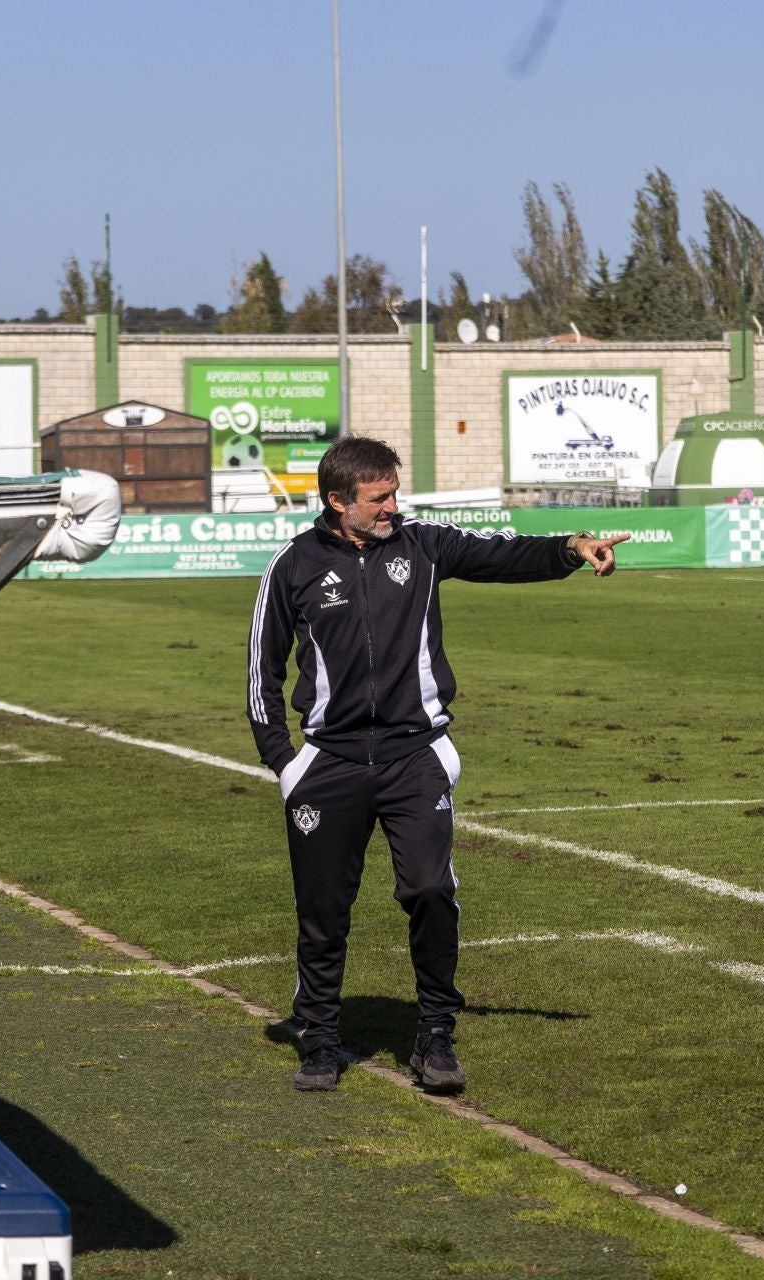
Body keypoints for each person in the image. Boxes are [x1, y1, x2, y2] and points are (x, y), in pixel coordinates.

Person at [247, 436, 627, 1092]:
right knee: (322, 909)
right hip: (328, 766)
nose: (395, 506)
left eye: (395, 492)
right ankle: (319, 1037)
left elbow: (498, 552)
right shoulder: (293, 566)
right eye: (380, 497)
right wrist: (286, 763)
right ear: (339, 501)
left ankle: (435, 1033)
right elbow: (262, 669)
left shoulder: (421, 544)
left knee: (429, 889)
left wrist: (569, 548)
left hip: (413, 757)